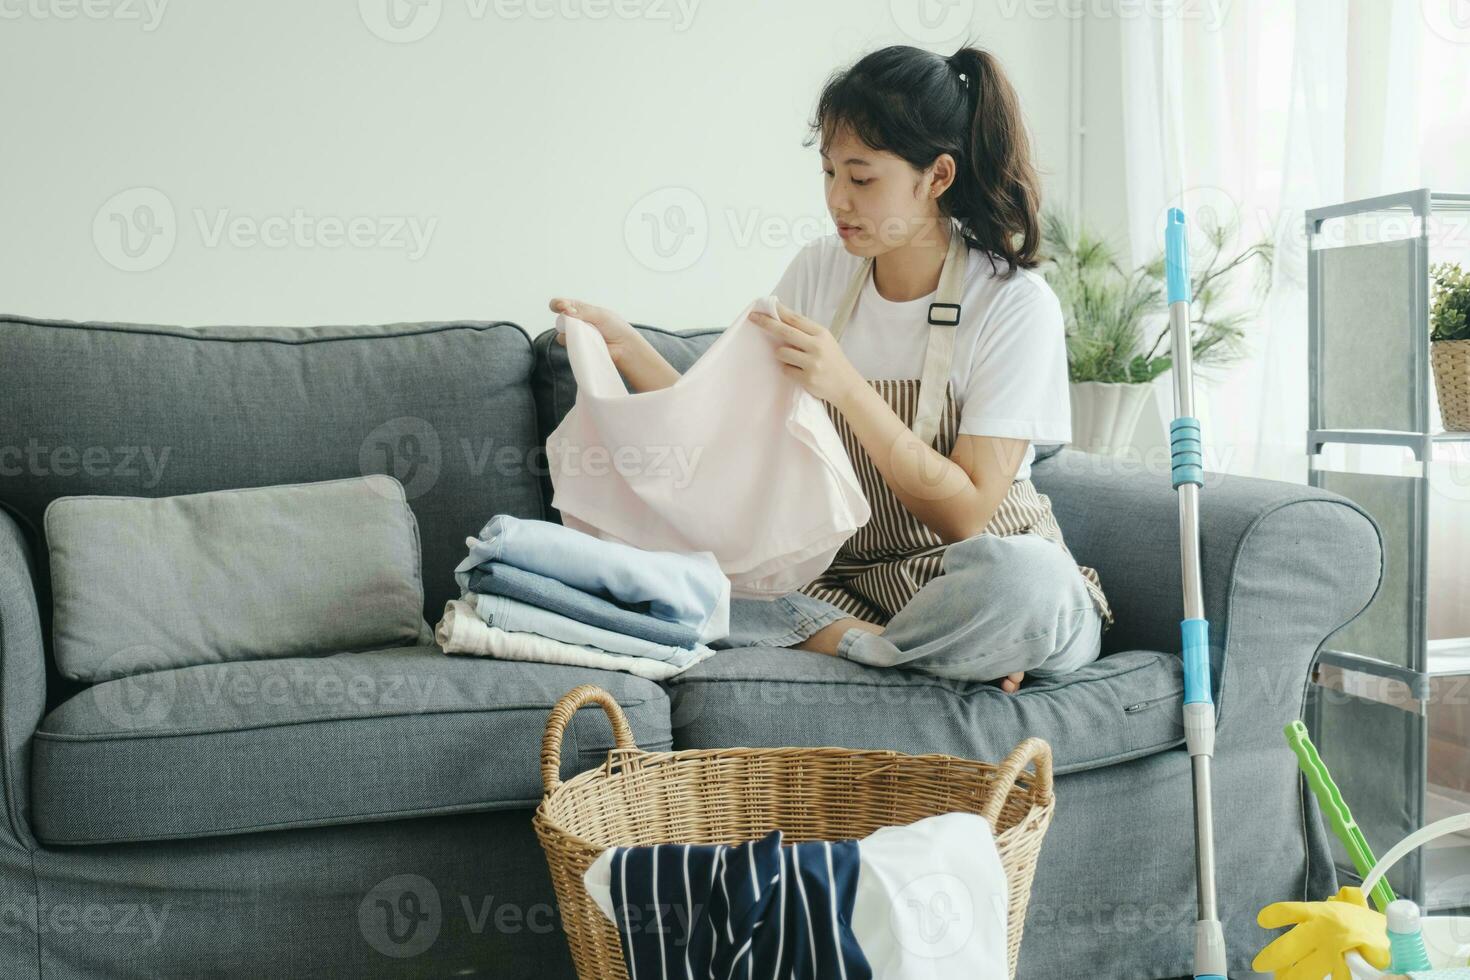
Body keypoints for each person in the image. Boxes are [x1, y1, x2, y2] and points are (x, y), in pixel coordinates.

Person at [548, 42, 1112, 694]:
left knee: (1027, 587)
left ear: (937, 177)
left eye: (862, 178)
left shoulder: (1014, 303)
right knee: (697, 572)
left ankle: (909, 647)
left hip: (976, 576)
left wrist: (844, 387)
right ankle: (913, 655)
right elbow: (722, 431)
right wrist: (627, 352)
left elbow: (967, 513)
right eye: (828, 173)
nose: (838, 200)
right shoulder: (820, 271)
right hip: (848, 587)